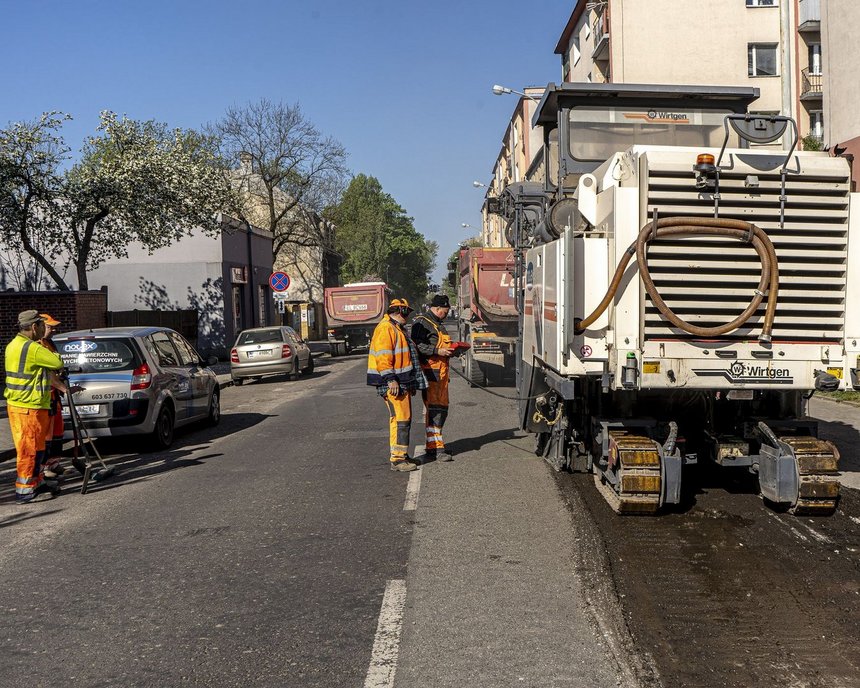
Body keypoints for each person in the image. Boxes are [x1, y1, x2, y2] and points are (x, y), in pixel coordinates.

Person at [4, 310, 66, 502]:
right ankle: (25, 489)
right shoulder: (32, 348)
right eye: (41, 326)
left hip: (24, 404)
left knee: (37, 448)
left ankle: (36, 481)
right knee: (29, 449)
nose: (43, 329)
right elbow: (57, 362)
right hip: (28, 406)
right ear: (34, 327)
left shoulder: (13, 345)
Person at [367, 298, 427, 472]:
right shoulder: (386, 328)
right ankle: (398, 459)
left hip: (401, 382)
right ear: (400, 311)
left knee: (402, 419)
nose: (407, 317)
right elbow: (383, 357)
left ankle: (402, 455)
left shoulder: (396, 328)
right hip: (394, 383)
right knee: (400, 420)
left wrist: (410, 383)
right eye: (406, 313)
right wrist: (390, 379)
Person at [410, 294, 455, 461]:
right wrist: (438, 351)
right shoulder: (422, 323)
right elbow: (417, 345)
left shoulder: (437, 323)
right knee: (434, 410)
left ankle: (436, 445)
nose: (446, 314)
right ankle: (435, 448)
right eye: (445, 312)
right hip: (431, 372)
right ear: (437, 309)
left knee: (442, 409)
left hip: (442, 373)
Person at [38, 313, 66, 478]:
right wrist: (63, 388)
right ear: (40, 327)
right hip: (45, 397)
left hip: (54, 397)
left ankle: (54, 463)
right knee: (46, 436)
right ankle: (44, 468)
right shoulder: (37, 346)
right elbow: (48, 374)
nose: (53, 330)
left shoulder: (49, 343)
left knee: (57, 432)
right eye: (50, 327)